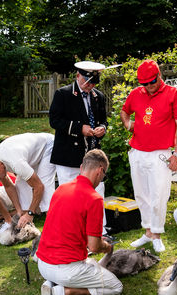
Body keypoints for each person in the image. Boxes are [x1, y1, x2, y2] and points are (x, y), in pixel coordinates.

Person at [36, 149, 122, 295]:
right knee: (116, 287)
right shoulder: (94, 198)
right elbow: (94, 246)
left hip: (43, 264)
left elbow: (69, 227)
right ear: (100, 171)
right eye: (103, 175)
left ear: (82, 167)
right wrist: (107, 247)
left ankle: (51, 283)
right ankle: (68, 292)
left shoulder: (61, 189)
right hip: (66, 269)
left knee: (89, 263)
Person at [120, 60, 177, 253]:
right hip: (138, 151)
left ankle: (157, 234)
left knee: (159, 194)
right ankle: (148, 231)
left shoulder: (175, 95)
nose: (148, 87)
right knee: (141, 193)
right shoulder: (136, 93)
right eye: (144, 84)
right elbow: (124, 112)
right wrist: (128, 124)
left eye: (151, 82)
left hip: (161, 152)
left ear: (159, 76)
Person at [49, 61, 109, 233]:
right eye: (87, 81)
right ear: (77, 76)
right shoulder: (63, 94)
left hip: (91, 153)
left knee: (96, 191)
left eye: (93, 82)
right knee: (70, 194)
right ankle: (71, 231)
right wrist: (79, 128)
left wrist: (102, 129)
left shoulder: (98, 96)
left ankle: (99, 230)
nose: (90, 85)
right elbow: (54, 121)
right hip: (68, 153)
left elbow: (103, 120)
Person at [0, 132, 56, 230]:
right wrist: (19, 210)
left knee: (45, 186)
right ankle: (26, 223)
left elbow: (38, 187)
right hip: (30, 155)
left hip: (48, 146)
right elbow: (8, 186)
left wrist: (30, 213)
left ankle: (54, 225)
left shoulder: (16, 163)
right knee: (20, 185)